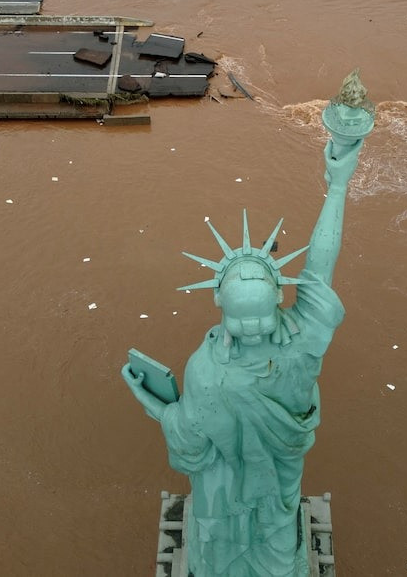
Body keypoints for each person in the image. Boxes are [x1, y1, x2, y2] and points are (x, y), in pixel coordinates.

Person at [123, 138, 363, 576]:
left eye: (257, 319)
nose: (251, 329)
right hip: (274, 492)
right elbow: (319, 272)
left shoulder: (208, 368)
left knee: (218, 539)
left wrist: (157, 407)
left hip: (223, 500)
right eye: (243, 320)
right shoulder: (300, 342)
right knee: (274, 537)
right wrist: (337, 187)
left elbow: (190, 443)